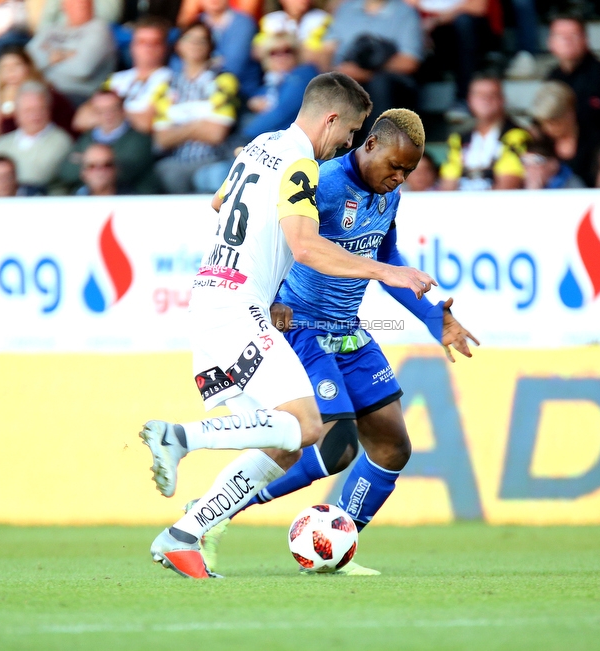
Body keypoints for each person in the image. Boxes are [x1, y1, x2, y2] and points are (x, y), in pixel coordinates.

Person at [137, 72, 435, 580]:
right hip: (239, 306)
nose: (347, 144)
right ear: (333, 118)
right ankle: (179, 437)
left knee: (286, 438)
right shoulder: (301, 164)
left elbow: (219, 203)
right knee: (308, 426)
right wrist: (390, 271)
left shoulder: (261, 145)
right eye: (350, 132)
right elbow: (305, 247)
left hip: (216, 297)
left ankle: (186, 532)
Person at [192, 109, 478, 576]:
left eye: (409, 171)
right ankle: (211, 512)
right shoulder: (320, 181)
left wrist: (434, 318)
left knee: (391, 446)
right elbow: (270, 233)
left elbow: (388, 259)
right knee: (335, 446)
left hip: (348, 328)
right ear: (369, 144)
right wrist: (271, 300)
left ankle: (334, 548)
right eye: (395, 166)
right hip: (299, 326)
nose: (399, 177)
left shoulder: (390, 196)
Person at [153, 22, 238, 194]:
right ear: (178, 45)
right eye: (189, 38)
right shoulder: (166, 86)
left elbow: (216, 134)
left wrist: (179, 128)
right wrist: (199, 125)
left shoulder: (224, 81)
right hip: (176, 163)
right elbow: (161, 139)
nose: (195, 44)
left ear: (210, 46)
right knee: (167, 173)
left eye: (201, 40)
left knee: (213, 176)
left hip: (212, 159)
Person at [320, 0, 424, 140]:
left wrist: (365, 71)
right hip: (346, 76)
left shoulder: (405, 12)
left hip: (390, 84)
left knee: (379, 83)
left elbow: (410, 61)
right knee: (318, 80)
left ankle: (378, 148)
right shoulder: (345, 9)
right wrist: (336, 69)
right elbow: (327, 50)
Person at [73, 15, 172, 134]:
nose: (147, 47)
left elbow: (146, 124)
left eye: (154, 42)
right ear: (132, 46)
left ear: (164, 47)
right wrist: (129, 116)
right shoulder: (116, 79)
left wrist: (105, 113)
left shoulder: (170, 79)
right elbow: (81, 119)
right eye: (141, 41)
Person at [0, 80, 73, 191]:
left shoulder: (60, 140)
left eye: (40, 109)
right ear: (17, 113)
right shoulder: (3, 142)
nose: (34, 115)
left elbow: (37, 176)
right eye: (28, 110)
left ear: (48, 109)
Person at [439, 72, 529, 190]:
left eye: (492, 94)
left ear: (502, 100)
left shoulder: (517, 135)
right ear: (469, 100)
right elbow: (448, 186)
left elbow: (508, 185)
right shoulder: (458, 139)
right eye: (479, 95)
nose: (485, 100)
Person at [59, 88, 157, 193]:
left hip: (129, 200)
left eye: (113, 109)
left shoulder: (139, 139)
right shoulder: (87, 137)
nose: (108, 115)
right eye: (101, 111)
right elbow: (66, 172)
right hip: (88, 199)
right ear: (94, 113)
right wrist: (106, 164)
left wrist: (85, 161)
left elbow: (125, 173)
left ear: (122, 110)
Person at [26, 0, 116, 105]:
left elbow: (82, 69)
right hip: (43, 92)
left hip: (77, 96)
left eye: (85, 1)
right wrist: (62, 55)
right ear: (63, 4)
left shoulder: (100, 29)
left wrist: (46, 61)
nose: (81, 3)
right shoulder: (51, 29)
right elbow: (27, 60)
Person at [545, 13, 600, 139]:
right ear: (550, 43)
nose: (567, 41)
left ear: (585, 39)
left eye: (573, 35)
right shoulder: (552, 77)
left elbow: (598, 120)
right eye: (561, 36)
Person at [530, 80, 600, 187]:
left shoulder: (593, 141)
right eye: (544, 123)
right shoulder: (539, 141)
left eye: (553, 122)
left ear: (570, 114)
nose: (548, 128)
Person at [0, 44, 75, 135]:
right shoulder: (1, 97)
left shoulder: (47, 95)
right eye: (5, 67)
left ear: (28, 67)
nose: (11, 71)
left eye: (17, 64)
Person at [195, 0, 262, 99]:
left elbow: (233, 66)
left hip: (242, 97)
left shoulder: (243, 23)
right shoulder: (195, 23)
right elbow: (179, 64)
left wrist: (199, 64)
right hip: (197, 96)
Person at [256, 0, 331, 65]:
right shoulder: (271, 20)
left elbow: (318, 55)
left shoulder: (322, 20)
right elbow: (257, 51)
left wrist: (277, 45)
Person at [521, 136, 586, 189]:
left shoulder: (572, 184)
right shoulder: (520, 185)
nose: (530, 168)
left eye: (537, 161)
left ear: (553, 164)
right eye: (524, 161)